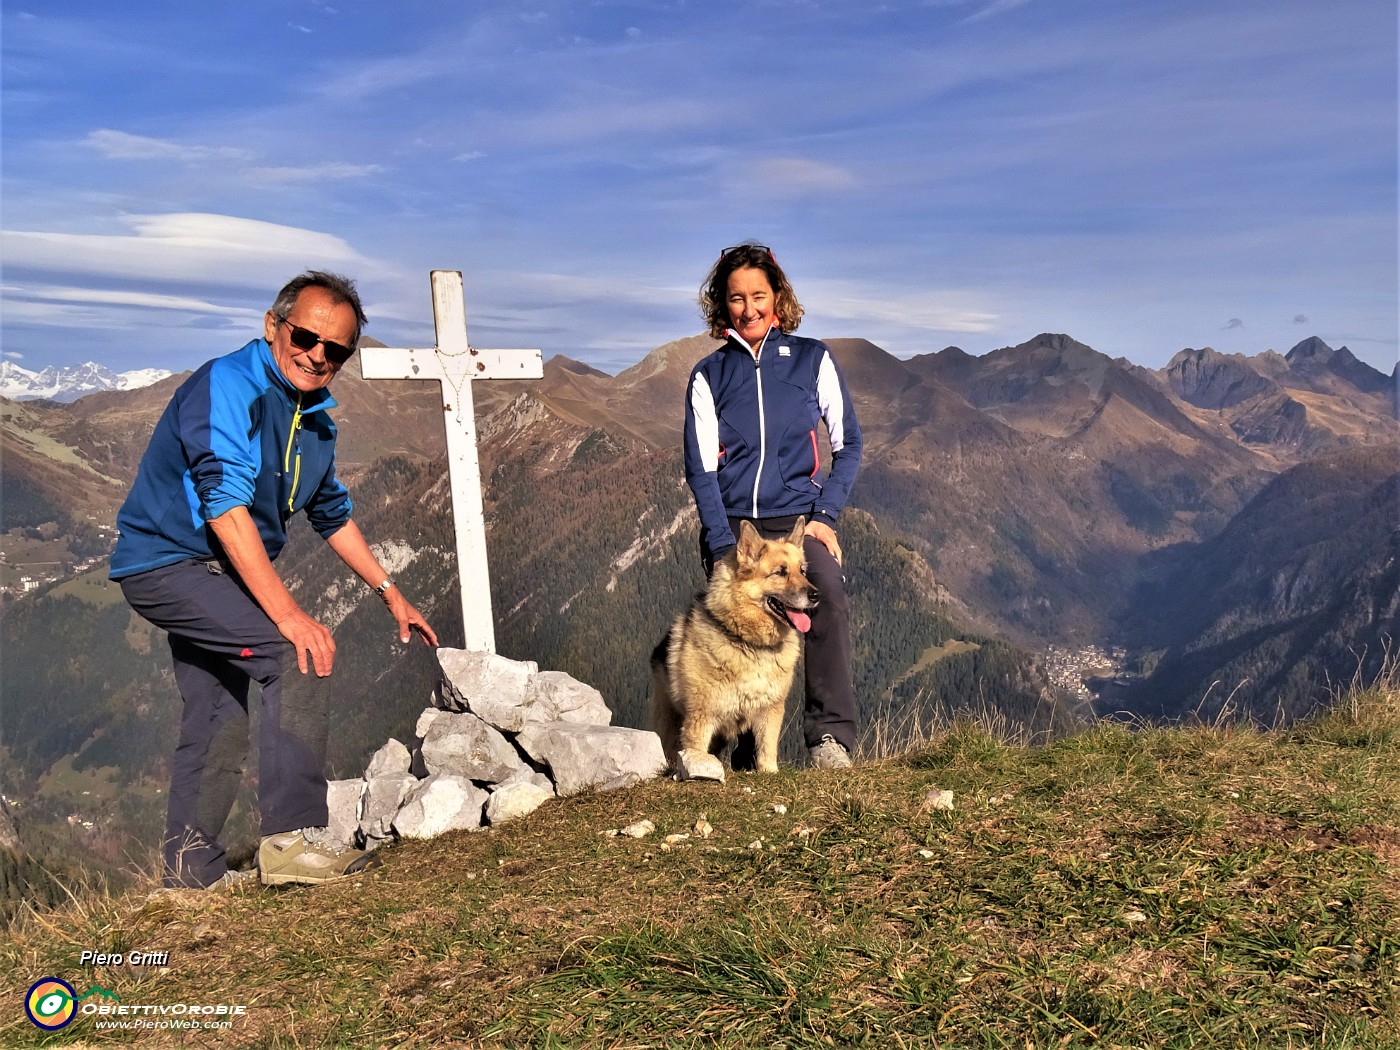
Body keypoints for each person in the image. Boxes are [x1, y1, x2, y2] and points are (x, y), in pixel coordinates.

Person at [109, 270, 438, 888]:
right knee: (296, 653)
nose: (319, 355)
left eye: (337, 349)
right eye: (308, 337)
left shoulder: (313, 419)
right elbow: (224, 504)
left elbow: (331, 513)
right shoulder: (228, 384)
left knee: (216, 715)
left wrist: (391, 594)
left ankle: (189, 877)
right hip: (168, 563)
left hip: (221, 571)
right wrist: (288, 615)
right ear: (273, 325)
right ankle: (293, 843)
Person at [683, 244, 863, 768]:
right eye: (736, 298)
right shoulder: (708, 376)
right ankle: (738, 748)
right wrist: (721, 544)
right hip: (740, 532)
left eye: (758, 295)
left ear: (778, 298)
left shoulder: (813, 359)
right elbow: (701, 468)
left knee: (824, 596)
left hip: (797, 522)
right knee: (733, 627)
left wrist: (825, 518)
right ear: (723, 306)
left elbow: (848, 443)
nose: (749, 307)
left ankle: (829, 738)